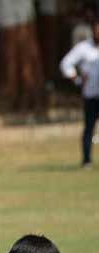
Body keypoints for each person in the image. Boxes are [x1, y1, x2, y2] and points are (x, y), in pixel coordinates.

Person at [59, 18, 99, 168]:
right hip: (90, 94)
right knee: (89, 128)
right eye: (96, 28)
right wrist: (76, 79)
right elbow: (65, 63)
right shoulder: (83, 48)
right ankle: (86, 160)